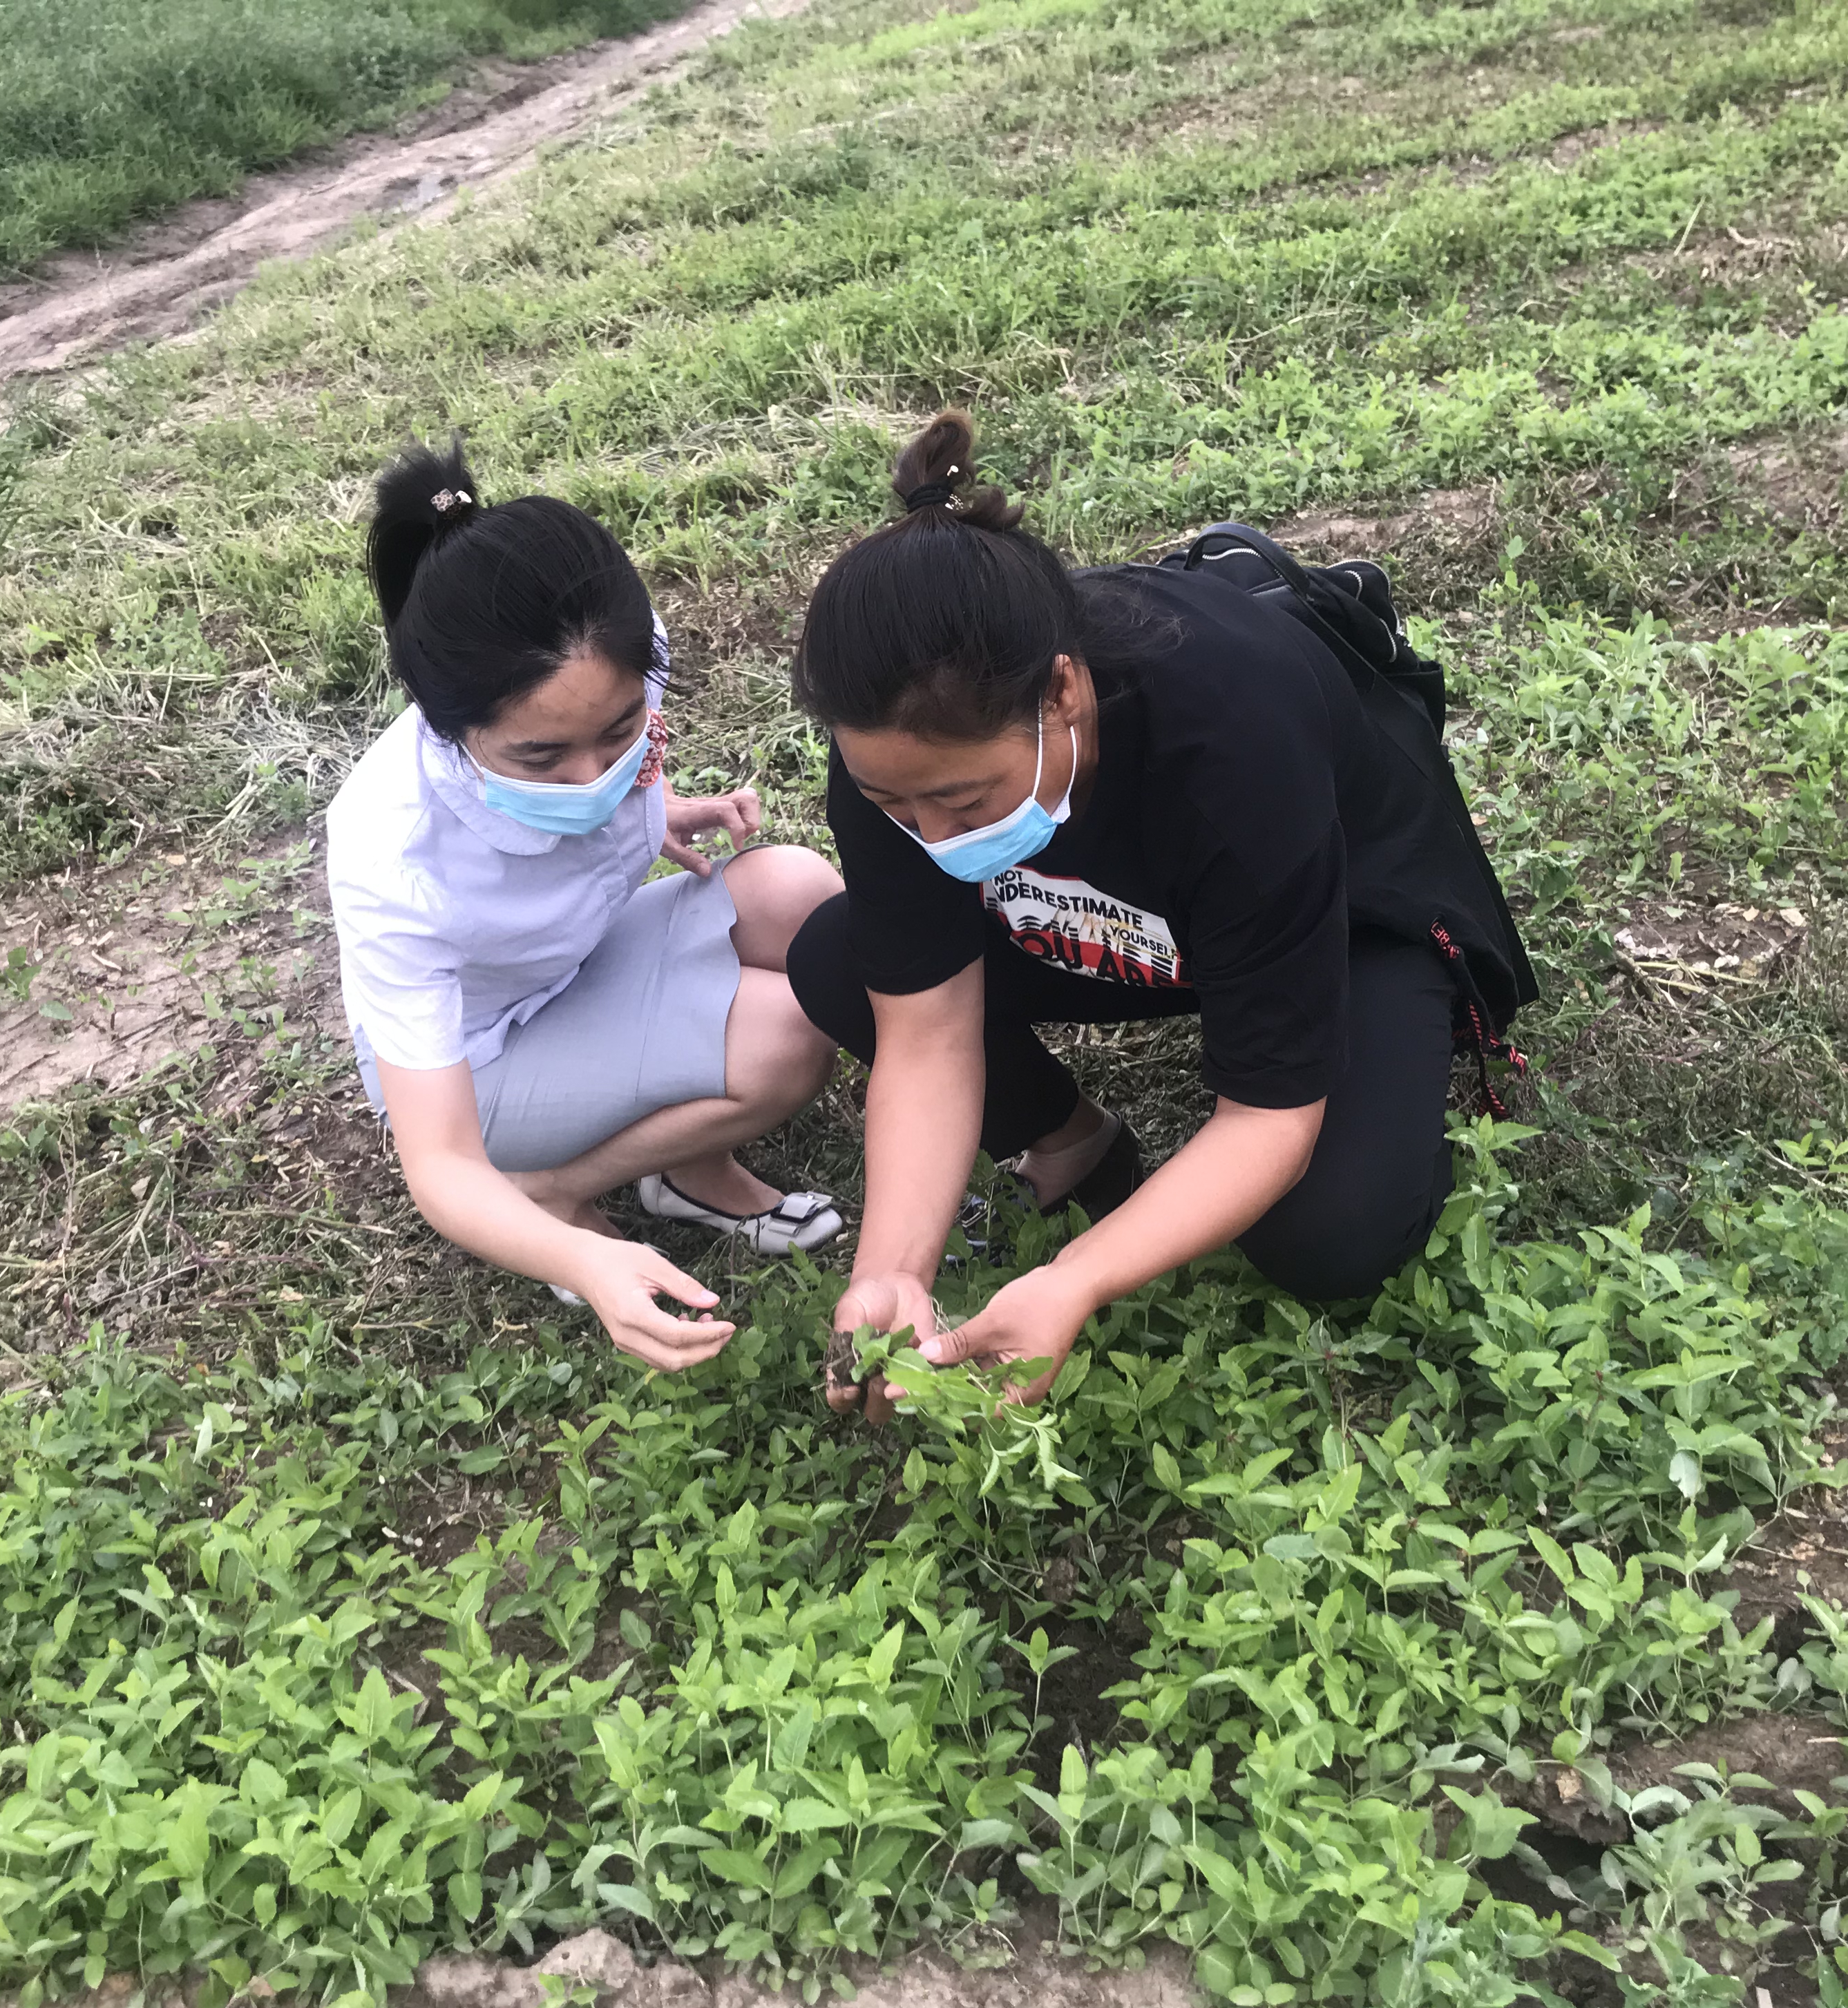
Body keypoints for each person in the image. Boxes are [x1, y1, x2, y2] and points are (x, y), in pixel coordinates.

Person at [785, 411, 1535, 1416]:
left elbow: (1268, 1120)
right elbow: (924, 1037)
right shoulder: (897, 750)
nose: (926, 833)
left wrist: (1074, 1281)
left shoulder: (1231, 734)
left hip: (1350, 912)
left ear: (1061, 692)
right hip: (1146, 924)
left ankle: (1268, 585)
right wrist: (890, 1272)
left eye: (962, 803)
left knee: (1335, 1231)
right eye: (892, 805)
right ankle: (1074, 1139)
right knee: (843, 961)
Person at [327, 442, 847, 1371]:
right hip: (480, 1064)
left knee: (803, 894)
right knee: (787, 1037)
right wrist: (585, 1260)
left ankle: (683, 1173)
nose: (592, 776)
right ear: (447, 731)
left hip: (575, 962)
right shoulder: (390, 852)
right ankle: (548, 1191)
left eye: (617, 734)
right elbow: (436, 1160)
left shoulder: (620, 658)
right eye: (539, 760)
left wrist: (653, 815)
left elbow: (602, 773)